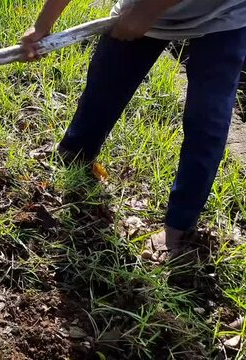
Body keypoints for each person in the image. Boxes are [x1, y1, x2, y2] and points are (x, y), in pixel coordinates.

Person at [21, 0, 246, 262]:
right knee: (107, 78)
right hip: (142, 7)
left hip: (223, 12)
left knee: (206, 118)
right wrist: (42, 25)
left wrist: (146, 12)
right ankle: (75, 152)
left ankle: (180, 228)